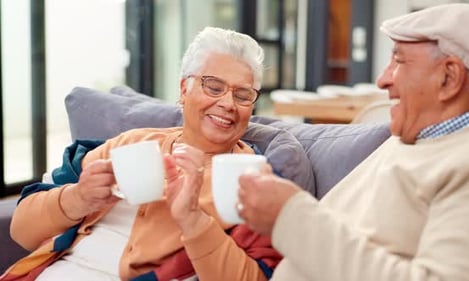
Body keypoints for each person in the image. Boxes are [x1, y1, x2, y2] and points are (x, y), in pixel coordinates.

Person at [237, 4, 469, 281]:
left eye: (398, 61)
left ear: (449, 78)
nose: (382, 80)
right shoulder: (419, 134)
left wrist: (288, 216)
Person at [2, 27, 283, 281]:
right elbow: (22, 231)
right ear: (184, 89)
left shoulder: (251, 177)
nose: (227, 103)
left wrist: (192, 218)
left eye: (243, 95)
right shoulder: (130, 143)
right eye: (214, 87)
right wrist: (78, 198)